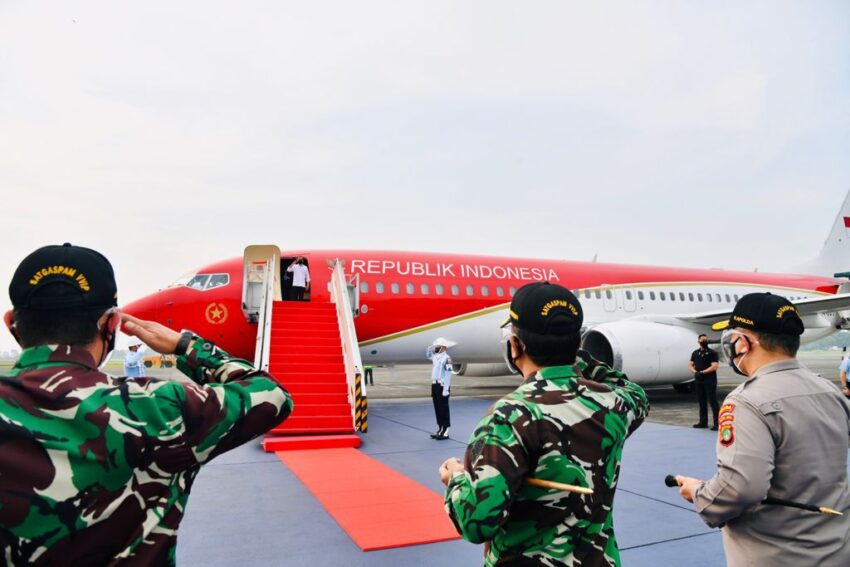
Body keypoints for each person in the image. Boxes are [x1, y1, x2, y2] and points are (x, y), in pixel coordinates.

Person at [0, 243, 293, 565]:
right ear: (111, 325)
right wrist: (187, 346)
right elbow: (271, 394)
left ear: (11, 322)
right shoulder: (156, 408)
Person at [439, 282, 649, 565]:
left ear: (516, 346)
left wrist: (455, 478)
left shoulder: (509, 416)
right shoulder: (615, 404)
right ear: (576, 344)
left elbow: (477, 523)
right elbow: (633, 391)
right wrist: (572, 353)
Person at [676, 292, 850, 566]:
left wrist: (698, 493)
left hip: (776, 556)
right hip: (835, 551)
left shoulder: (747, 401)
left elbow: (739, 490)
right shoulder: (830, 391)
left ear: (743, 344)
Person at [688, 333, 720, 430]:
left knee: (712, 401)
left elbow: (714, 366)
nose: (704, 341)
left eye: (706, 340)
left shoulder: (712, 353)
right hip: (699, 380)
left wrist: (702, 372)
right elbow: (690, 364)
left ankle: (717, 423)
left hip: (709, 380)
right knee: (701, 401)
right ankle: (703, 422)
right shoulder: (695, 353)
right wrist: (695, 372)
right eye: (702, 340)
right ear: (698, 341)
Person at [427, 337, 454, 440]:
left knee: (444, 408)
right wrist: (430, 348)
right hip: (435, 385)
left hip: (442, 386)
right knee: (437, 408)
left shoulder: (447, 359)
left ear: (443, 347)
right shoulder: (436, 357)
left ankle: (446, 431)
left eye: (437, 347)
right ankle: (440, 428)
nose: (436, 348)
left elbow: (448, 375)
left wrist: (446, 389)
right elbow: (428, 355)